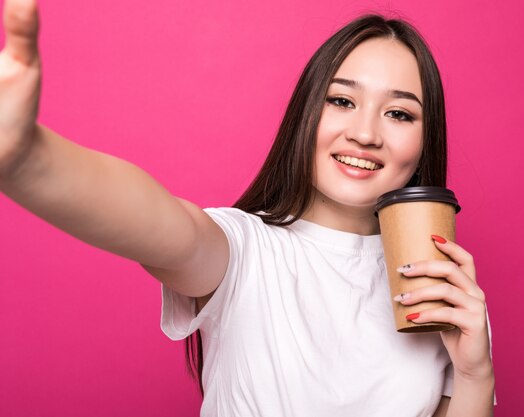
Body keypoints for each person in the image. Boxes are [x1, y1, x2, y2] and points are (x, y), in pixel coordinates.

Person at [0, 0, 495, 416]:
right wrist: (27, 159)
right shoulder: (244, 250)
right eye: (341, 101)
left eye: (399, 113)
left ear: (423, 141)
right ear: (306, 114)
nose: (365, 133)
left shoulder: (444, 292)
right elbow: (151, 218)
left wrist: (476, 375)